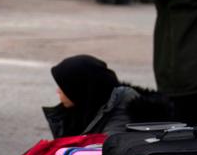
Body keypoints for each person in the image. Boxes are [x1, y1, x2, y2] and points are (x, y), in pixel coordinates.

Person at [43, 54, 176, 138]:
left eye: (63, 87)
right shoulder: (85, 106)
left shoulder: (122, 113)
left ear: (79, 89)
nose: (58, 91)